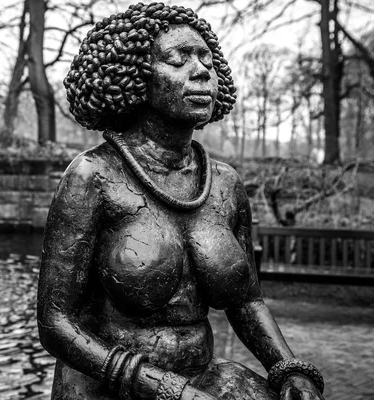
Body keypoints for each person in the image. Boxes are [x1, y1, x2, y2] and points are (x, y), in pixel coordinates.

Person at [37, 3, 325, 400]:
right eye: (179, 58)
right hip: (108, 386)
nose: (202, 70)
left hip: (201, 378)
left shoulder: (225, 183)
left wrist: (288, 368)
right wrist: (165, 388)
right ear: (136, 75)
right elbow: (55, 322)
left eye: (206, 58)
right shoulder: (93, 175)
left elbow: (247, 301)